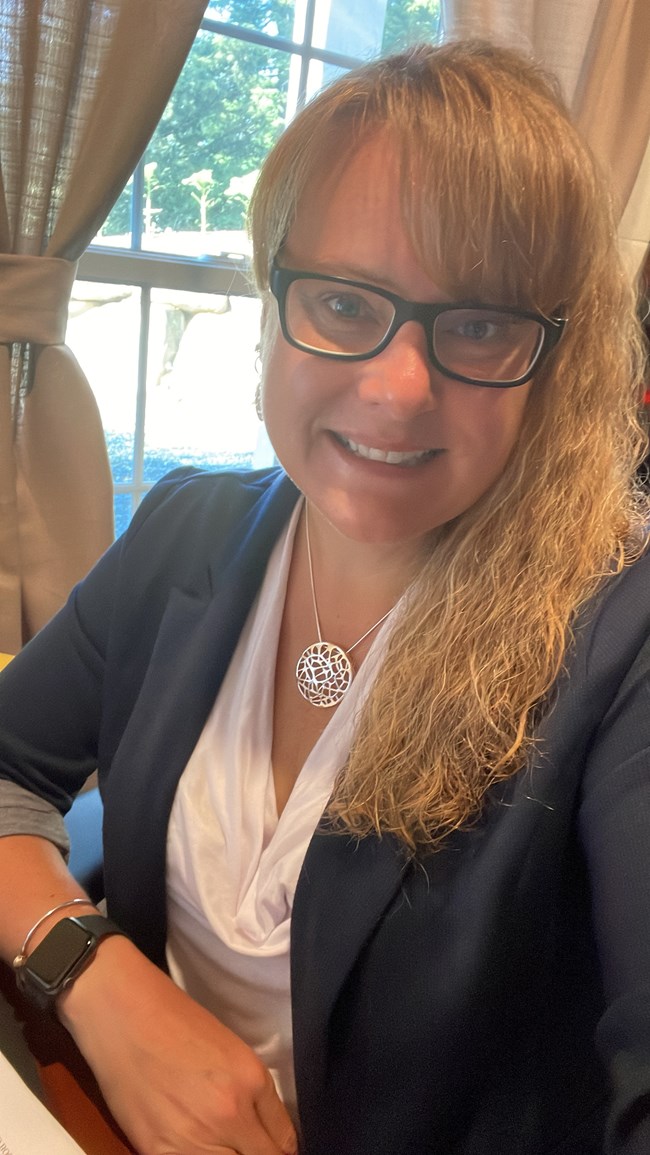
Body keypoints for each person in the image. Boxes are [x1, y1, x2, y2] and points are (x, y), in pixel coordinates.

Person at [0, 38, 649, 1155]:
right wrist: (96, 978)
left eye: (480, 324)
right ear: (270, 304)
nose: (398, 389)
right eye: (345, 303)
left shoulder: (619, 634)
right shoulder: (186, 527)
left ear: (552, 358)